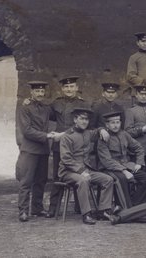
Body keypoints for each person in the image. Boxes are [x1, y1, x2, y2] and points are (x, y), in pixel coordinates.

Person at [58, 108, 114, 225]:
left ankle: (103, 210)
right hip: (68, 172)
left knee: (108, 179)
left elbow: (97, 131)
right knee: (83, 181)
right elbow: (66, 159)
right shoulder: (67, 136)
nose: (84, 122)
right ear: (75, 120)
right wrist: (81, 171)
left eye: (87, 119)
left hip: (86, 170)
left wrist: (102, 129)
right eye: (81, 119)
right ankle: (86, 214)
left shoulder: (88, 133)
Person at [46, 76, 91, 217]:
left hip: (77, 144)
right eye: (66, 87)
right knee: (57, 177)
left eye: (72, 86)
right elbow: (46, 114)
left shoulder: (83, 104)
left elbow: (83, 125)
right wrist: (28, 100)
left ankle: (80, 207)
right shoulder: (56, 103)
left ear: (77, 88)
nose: (69, 89)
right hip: (59, 145)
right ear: (62, 89)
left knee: (79, 172)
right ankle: (53, 208)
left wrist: (63, 134)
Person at [16, 81, 60, 222]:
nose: (40, 94)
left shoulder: (46, 108)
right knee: (26, 181)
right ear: (31, 92)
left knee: (41, 180)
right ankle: (23, 211)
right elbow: (27, 130)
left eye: (42, 92)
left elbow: (58, 113)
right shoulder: (25, 108)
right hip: (30, 149)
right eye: (37, 91)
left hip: (43, 150)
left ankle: (37, 208)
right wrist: (46, 135)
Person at [97, 111, 146, 207]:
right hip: (109, 168)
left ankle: (134, 204)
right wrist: (124, 171)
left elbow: (138, 147)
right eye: (112, 123)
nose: (116, 125)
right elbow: (107, 160)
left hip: (126, 165)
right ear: (107, 124)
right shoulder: (103, 138)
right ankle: (125, 207)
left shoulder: (124, 134)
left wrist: (139, 163)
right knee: (122, 179)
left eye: (118, 122)